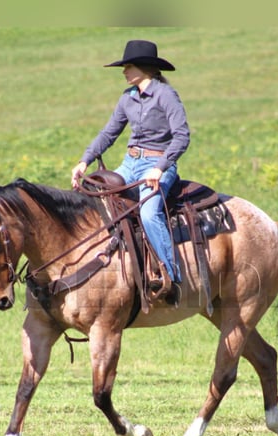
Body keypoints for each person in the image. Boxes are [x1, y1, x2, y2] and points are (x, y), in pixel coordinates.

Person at [71, 39, 190, 300]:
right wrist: (85, 161)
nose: (124, 71)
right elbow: (109, 132)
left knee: (149, 214)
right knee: (93, 194)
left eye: (128, 66)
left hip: (157, 164)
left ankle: (171, 276)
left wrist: (160, 169)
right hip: (129, 163)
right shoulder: (128, 98)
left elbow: (182, 136)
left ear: (145, 68)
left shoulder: (165, 95)